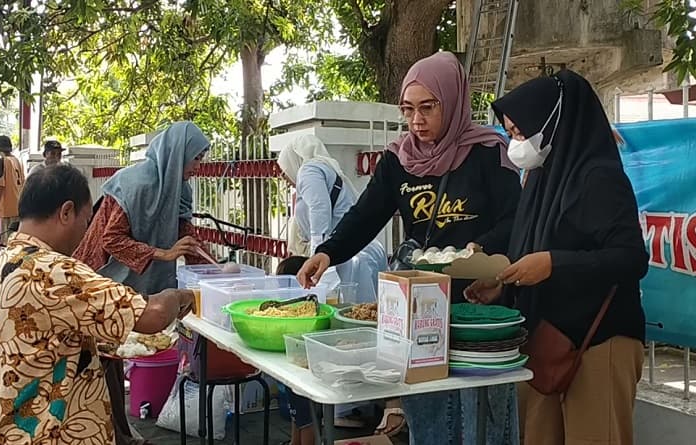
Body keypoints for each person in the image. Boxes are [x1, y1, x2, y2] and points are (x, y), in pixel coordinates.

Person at [296, 51, 522, 444]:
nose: (416, 121)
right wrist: (328, 252)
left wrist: (480, 248)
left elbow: (516, 218)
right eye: (408, 109)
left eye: (428, 108)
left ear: (451, 103)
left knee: (481, 418)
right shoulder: (399, 160)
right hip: (422, 307)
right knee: (429, 413)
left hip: (479, 302)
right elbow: (367, 215)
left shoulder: (487, 152)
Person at [466, 70, 648, 445]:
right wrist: (502, 286)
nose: (515, 143)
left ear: (554, 124)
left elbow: (631, 259)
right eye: (511, 133)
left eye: (519, 132)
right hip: (546, 335)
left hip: (600, 340)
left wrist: (553, 264)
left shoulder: (599, 177)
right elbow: (530, 247)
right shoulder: (538, 177)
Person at [0, 165, 196, 443]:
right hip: (51, 434)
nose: (86, 232)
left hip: (6, 429)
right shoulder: (53, 271)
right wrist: (182, 295)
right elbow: (153, 315)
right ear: (66, 212)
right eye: (87, 221)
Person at [74, 121, 211, 445]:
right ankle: (116, 433)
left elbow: (185, 237)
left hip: (129, 280)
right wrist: (162, 254)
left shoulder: (180, 188)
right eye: (196, 158)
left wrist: (213, 268)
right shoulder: (135, 182)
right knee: (101, 360)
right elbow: (112, 239)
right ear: (179, 154)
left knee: (110, 360)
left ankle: (121, 433)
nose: (198, 167)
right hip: (100, 274)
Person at [278, 134, 387, 302]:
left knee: (357, 316)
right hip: (363, 250)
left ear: (293, 160)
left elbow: (319, 208)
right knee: (372, 313)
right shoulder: (326, 169)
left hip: (350, 256)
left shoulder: (309, 171)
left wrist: (319, 251)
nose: (284, 177)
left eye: (283, 171)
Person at [276, 256, 316, 445]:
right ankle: (294, 442)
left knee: (305, 419)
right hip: (293, 367)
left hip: (301, 368)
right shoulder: (291, 307)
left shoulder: (302, 310)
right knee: (297, 413)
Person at [0, 135, 24, 243]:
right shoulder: (17, 161)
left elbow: (0, 188)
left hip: (8, 210)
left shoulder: (1, 162)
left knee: (7, 242)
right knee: (16, 242)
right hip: (19, 208)